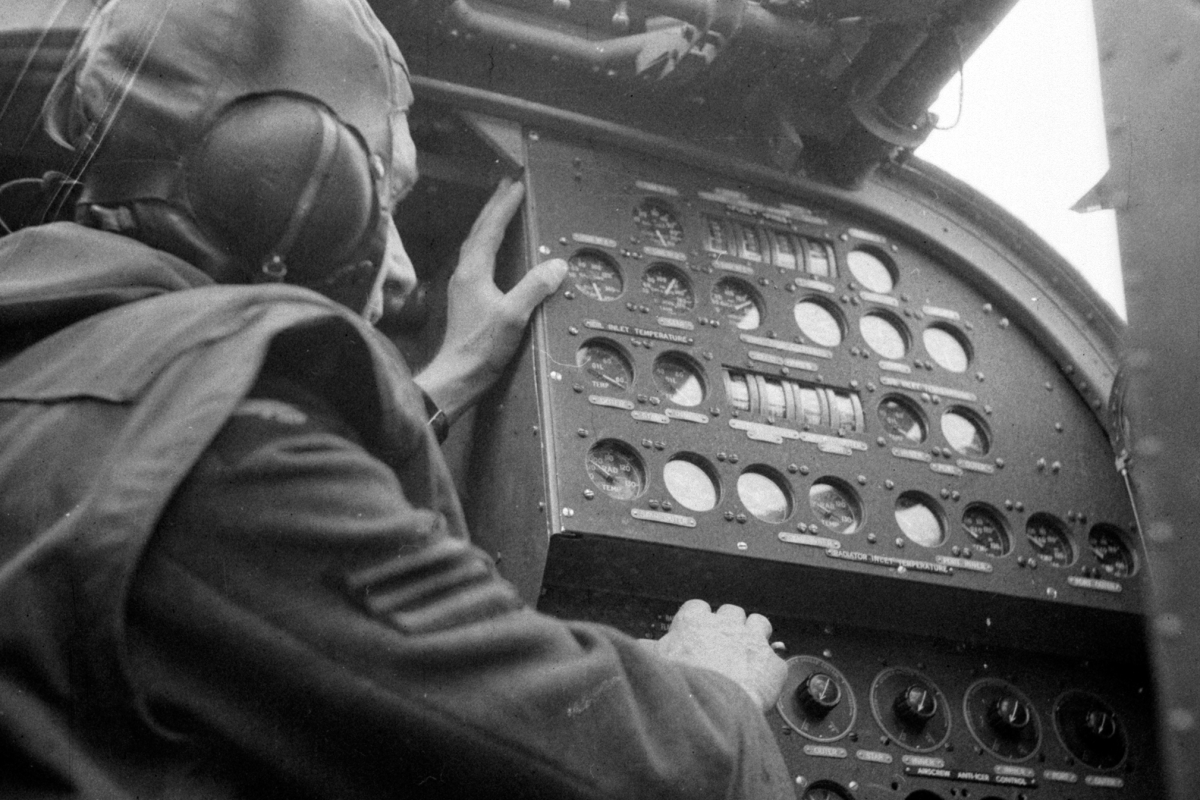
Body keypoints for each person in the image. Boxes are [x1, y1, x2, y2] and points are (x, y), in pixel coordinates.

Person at [0, 1, 790, 797]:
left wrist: (442, 385)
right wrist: (721, 700)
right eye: (378, 201)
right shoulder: (231, 457)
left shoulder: (58, 363)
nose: (406, 273)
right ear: (278, 174)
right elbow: (610, 776)